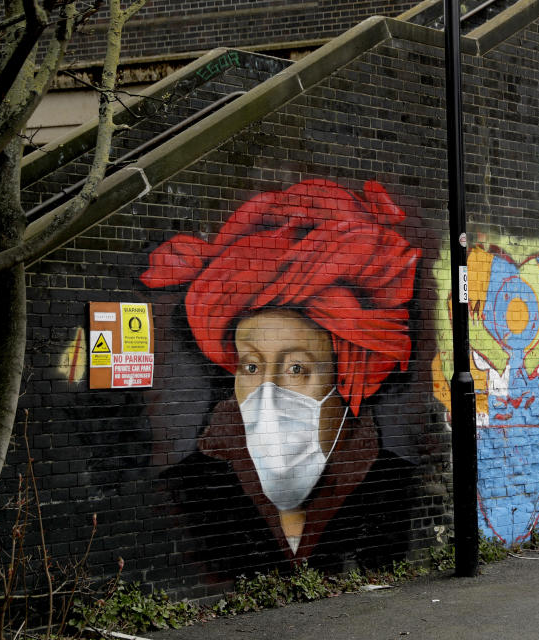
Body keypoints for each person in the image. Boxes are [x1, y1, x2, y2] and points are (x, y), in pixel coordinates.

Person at [141, 178, 421, 568]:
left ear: (346, 377)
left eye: (297, 367)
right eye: (251, 366)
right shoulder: (181, 493)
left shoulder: (399, 487)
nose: (267, 393)